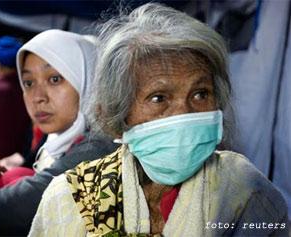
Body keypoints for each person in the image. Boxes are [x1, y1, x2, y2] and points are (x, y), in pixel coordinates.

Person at [29, 3, 289, 236]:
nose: (183, 114)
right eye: (158, 98)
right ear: (116, 115)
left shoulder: (246, 192)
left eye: (200, 94)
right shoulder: (70, 197)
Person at [0, 29, 118, 236]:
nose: (37, 97)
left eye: (55, 79)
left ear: (88, 79)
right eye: (28, 83)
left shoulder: (97, 152)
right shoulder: (59, 137)